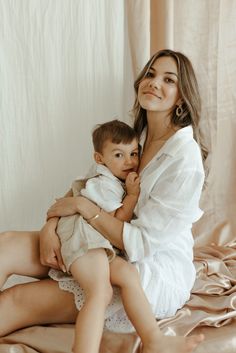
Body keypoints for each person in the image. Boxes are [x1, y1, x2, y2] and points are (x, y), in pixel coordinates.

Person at [0, 49, 205, 353]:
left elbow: (140, 244)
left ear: (181, 98)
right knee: (5, 245)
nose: (154, 82)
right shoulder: (133, 137)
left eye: (168, 79)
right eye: (150, 74)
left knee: (16, 300)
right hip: (94, 238)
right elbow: (86, 186)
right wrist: (51, 226)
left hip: (145, 266)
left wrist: (85, 209)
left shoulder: (184, 160)